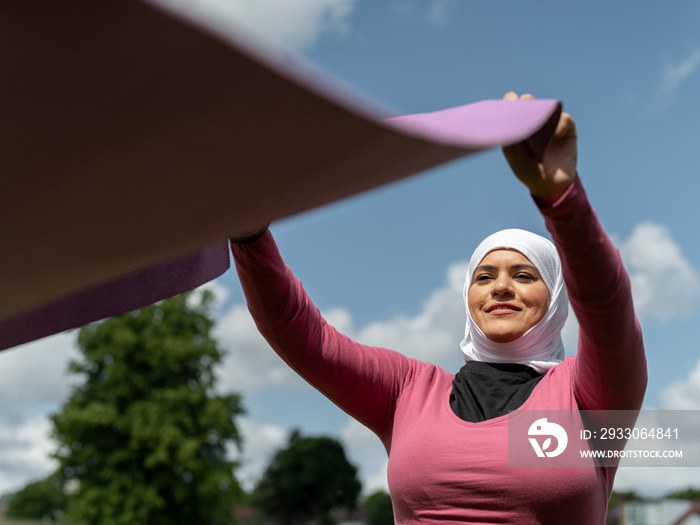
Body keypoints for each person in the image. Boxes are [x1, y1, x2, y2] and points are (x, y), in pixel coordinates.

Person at [229, 93, 647, 524]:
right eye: (483, 278)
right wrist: (249, 233)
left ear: (556, 296)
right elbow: (300, 333)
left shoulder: (587, 396)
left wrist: (562, 198)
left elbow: (608, 310)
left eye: (524, 276)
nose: (500, 287)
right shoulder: (407, 390)